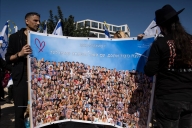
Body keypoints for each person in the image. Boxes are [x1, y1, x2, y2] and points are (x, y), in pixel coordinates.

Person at [144, 4, 192, 128]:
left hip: (168, 99)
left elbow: (150, 70)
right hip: (189, 97)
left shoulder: (160, 43)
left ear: (162, 26)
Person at [5, 12, 40, 128]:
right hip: (21, 79)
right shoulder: (15, 37)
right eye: (35, 20)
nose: (38, 23)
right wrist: (20, 54)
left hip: (37, 80)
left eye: (39, 21)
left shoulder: (40, 38)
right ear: (27, 21)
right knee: (20, 110)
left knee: (37, 110)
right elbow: (8, 58)